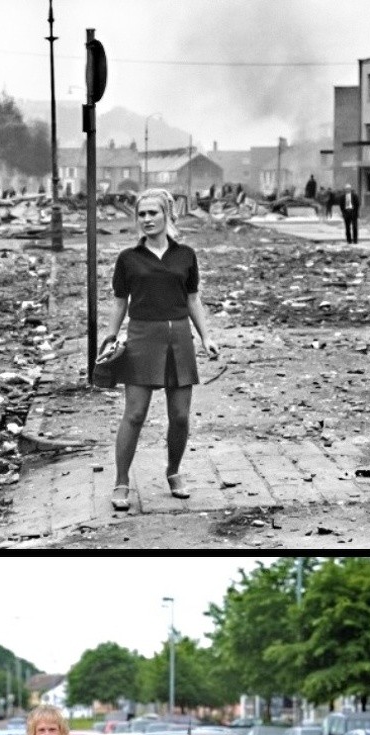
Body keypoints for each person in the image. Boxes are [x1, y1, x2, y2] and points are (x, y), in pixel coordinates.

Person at [100, 187, 218, 512]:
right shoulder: (128, 259)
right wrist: (111, 336)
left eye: (153, 213)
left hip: (179, 338)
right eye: (142, 214)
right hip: (141, 338)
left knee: (179, 416)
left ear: (167, 215)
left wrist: (206, 337)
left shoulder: (186, 256)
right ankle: (122, 481)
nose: (147, 219)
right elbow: (119, 301)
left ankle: (174, 471)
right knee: (135, 414)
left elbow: (193, 299)